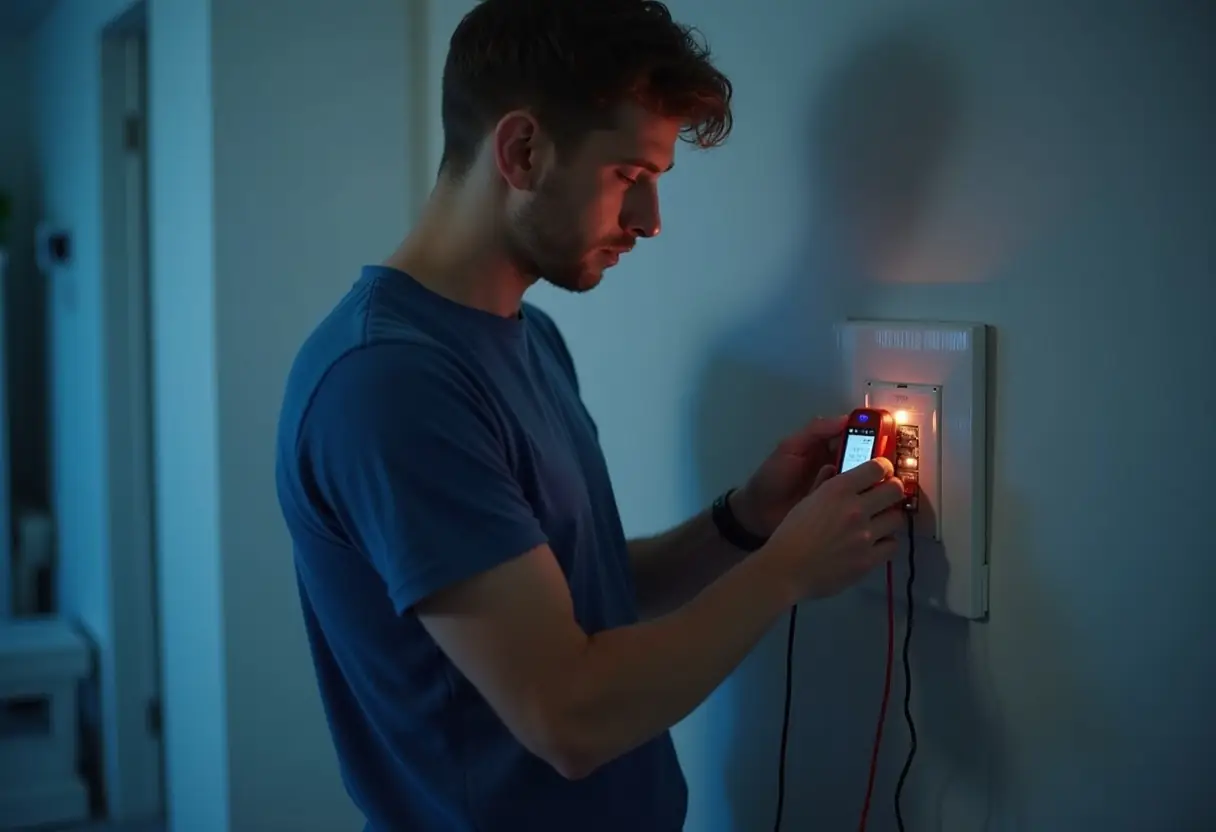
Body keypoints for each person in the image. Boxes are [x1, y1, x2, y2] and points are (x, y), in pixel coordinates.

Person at [274, 1, 908, 829]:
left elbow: (582, 593)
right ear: (523, 150)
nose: (648, 223)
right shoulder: (389, 383)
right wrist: (785, 570)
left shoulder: (528, 338)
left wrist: (746, 521)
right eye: (629, 178)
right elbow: (566, 714)